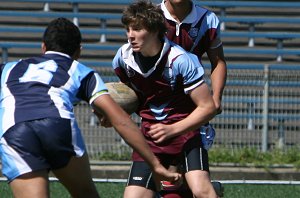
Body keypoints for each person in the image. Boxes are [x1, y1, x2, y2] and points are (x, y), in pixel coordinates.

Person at [0, 17, 181, 198]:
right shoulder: (82, 72)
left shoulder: (7, 69)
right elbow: (122, 121)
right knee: (86, 194)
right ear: (79, 50)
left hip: (15, 130)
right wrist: (155, 166)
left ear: (43, 47)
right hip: (57, 124)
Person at [109, 1, 218, 197]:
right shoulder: (123, 58)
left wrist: (172, 129)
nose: (130, 35)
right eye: (127, 29)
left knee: (202, 192)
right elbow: (128, 95)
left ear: (154, 30)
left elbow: (208, 107)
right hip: (150, 139)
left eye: (137, 29)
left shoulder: (180, 60)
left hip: (186, 136)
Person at [159, 1, 227, 196]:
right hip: (159, 108)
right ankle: (212, 189)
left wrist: (216, 97)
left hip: (193, 106)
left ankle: (207, 189)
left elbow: (218, 61)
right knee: (168, 179)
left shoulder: (208, 19)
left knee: (194, 182)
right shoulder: (151, 15)